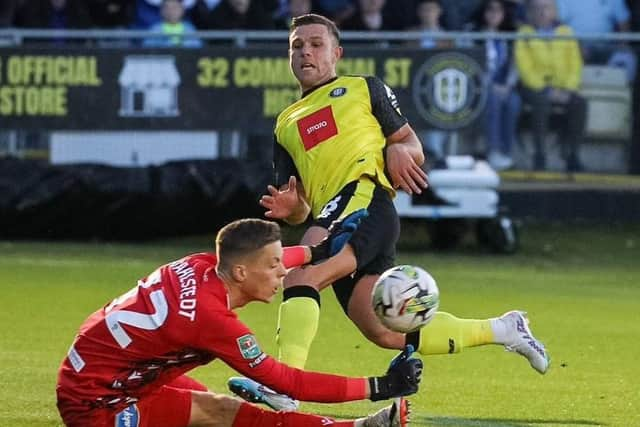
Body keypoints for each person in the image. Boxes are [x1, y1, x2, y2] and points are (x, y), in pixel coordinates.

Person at [232, 12, 550, 411]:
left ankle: (284, 386)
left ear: (337, 53)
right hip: (331, 214)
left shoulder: (363, 88)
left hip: (366, 199)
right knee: (383, 330)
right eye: (297, 46)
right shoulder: (284, 125)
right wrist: (293, 208)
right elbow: (302, 206)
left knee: (301, 276)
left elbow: (408, 143)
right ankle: (504, 329)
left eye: (316, 44)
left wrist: (401, 149)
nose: (305, 52)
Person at [55, 217, 423, 427]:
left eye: (283, 261)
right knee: (234, 418)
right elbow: (288, 382)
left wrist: (315, 251)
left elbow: (261, 257)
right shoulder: (211, 319)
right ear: (242, 272)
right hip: (99, 403)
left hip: (103, 371)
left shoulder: (202, 265)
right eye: (274, 265)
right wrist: (380, 385)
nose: (284, 272)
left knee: (219, 411)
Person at [515, 0, 586, 172]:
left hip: (563, 87)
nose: (542, 12)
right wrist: (546, 90)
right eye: (537, 8)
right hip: (533, 87)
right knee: (541, 102)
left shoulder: (566, 32)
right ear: (530, 12)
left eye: (546, 7)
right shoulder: (523, 33)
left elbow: (575, 64)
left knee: (580, 103)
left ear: (555, 11)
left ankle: (572, 155)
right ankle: (540, 154)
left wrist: (567, 89)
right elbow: (524, 67)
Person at [472, 0, 521, 170]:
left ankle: (506, 151)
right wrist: (489, 86)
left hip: (504, 86)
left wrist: (508, 85)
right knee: (492, 100)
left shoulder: (509, 36)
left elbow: (515, 65)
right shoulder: (474, 34)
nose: (494, 14)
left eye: (498, 11)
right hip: (479, 88)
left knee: (514, 101)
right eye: (490, 10)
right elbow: (470, 65)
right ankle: (493, 150)